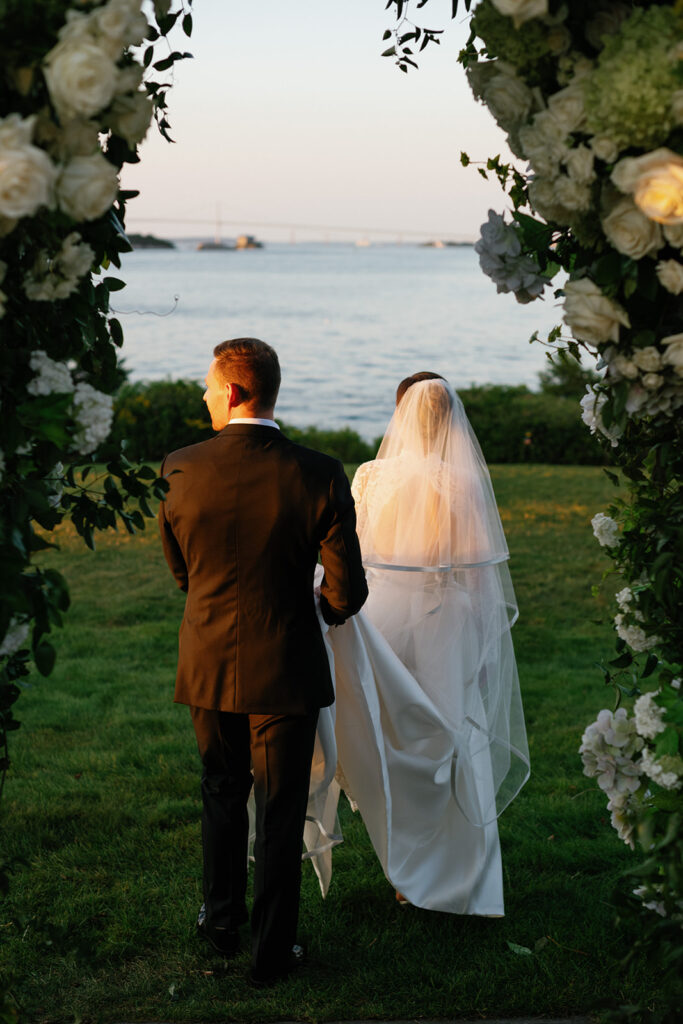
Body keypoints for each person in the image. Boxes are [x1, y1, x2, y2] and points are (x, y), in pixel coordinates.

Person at [158, 337, 368, 985]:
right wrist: (323, 613)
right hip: (286, 663)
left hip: (208, 656)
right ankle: (271, 953)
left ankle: (219, 919)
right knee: (280, 808)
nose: (202, 394)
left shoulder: (179, 467)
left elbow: (180, 573)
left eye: (208, 385)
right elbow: (346, 590)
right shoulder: (318, 471)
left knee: (221, 788)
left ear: (236, 392)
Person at [304, 372, 529, 915]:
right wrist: (480, 643)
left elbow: (352, 554)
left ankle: (405, 867)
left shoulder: (369, 475)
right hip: (443, 618)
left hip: (380, 617)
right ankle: (457, 875)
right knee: (452, 734)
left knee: (393, 736)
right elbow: (477, 574)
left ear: (398, 415)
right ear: (451, 419)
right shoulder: (462, 481)